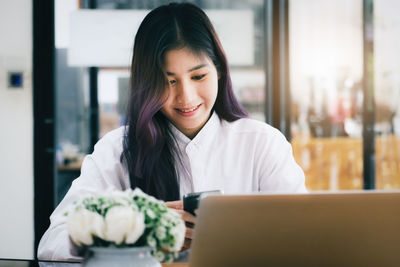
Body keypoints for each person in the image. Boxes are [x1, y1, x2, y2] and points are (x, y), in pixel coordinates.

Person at [38, 2, 307, 261]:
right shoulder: (117, 150)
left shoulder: (262, 144)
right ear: (147, 85)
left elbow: (304, 235)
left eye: (198, 76)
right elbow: (52, 245)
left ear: (220, 71)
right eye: (168, 82)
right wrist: (137, 228)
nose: (186, 97)